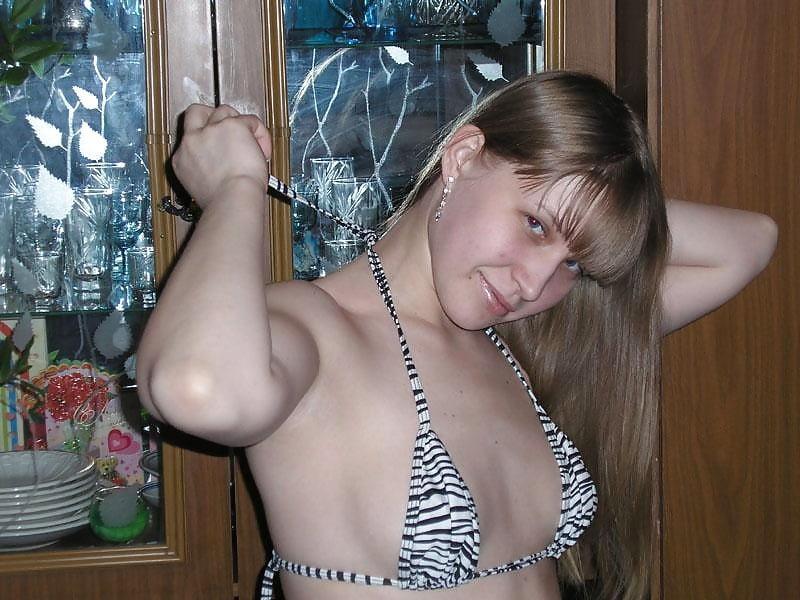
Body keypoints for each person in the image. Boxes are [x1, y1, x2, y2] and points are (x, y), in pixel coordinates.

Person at [136, 71, 777, 600]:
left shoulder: (521, 343)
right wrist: (235, 189)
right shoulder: (316, 331)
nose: (535, 283)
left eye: (574, 266)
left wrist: (603, 208)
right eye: (535, 224)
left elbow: (749, 243)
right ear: (464, 156)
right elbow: (197, 388)